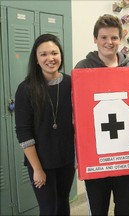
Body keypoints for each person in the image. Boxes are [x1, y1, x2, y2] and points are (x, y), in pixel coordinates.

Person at [74, 14, 129, 215]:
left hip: (125, 154)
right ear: (95, 39)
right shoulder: (83, 68)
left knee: (126, 209)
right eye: (103, 37)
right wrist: (79, 154)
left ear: (120, 39)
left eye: (114, 38)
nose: (109, 43)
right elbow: (76, 114)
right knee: (98, 209)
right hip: (96, 156)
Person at [14, 33, 75, 215]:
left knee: (63, 204)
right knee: (49, 209)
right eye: (44, 54)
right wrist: (37, 169)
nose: (50, 58)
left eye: (54, 53)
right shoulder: (26, 89)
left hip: (66, 159)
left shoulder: (70, 83)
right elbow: (24, 134)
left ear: (61, 55)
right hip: (41, 161)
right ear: (36, 58)